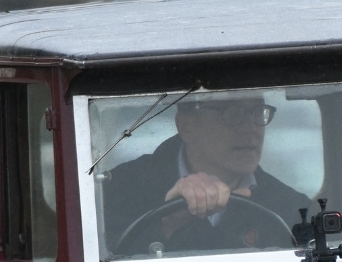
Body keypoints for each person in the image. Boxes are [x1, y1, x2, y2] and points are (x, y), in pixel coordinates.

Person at [101, 94, 311, 253]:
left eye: (258, 113)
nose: (250, 128)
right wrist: (169, 221)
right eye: (232, 113)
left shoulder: (294, 208)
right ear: (186, 126)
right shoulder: (117, 189)